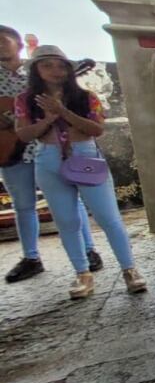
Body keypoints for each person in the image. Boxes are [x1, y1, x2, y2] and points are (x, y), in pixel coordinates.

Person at [14, 45, 144, 298]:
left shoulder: (85, 97)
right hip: (48, 158)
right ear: (36, 70)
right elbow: (24, 133)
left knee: (109, 218)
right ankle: (82, 273)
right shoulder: (26, 100)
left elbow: (96, 130)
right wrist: (49, 119)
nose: (55, 71)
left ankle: (130, 269)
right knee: (66, 220)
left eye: (61, 65)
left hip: (84, 154)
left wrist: (62, 111)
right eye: (47, 65)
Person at [0, 26, 101, 282]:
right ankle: (31, 257)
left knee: (71, 200)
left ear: (19, 45)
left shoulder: (39, 72)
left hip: (53, 146)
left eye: (3, 41)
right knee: (23, 205)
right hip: (12, 150)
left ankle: (89, 251)